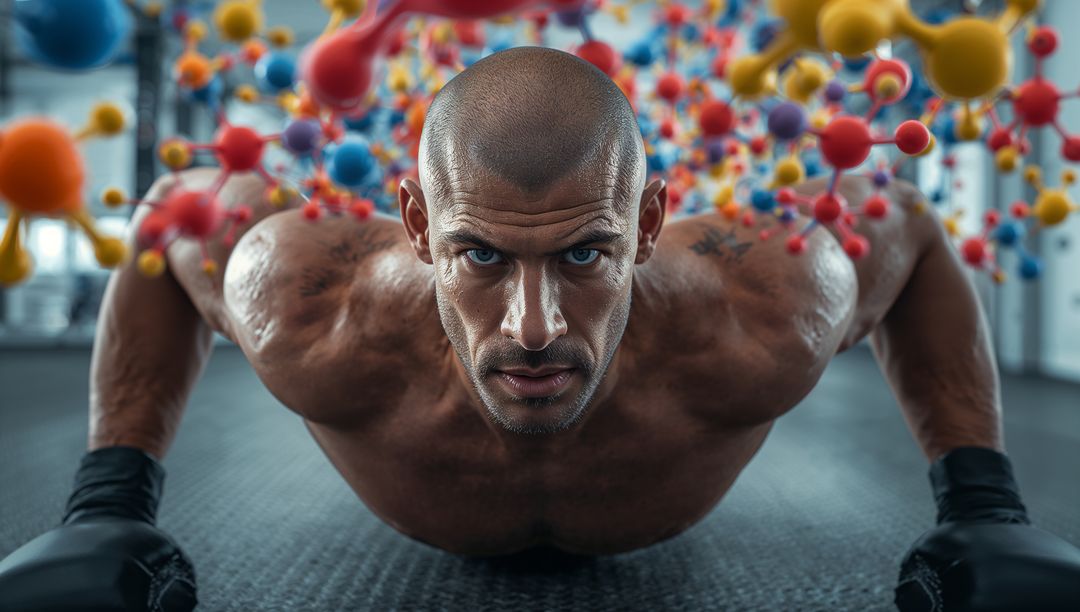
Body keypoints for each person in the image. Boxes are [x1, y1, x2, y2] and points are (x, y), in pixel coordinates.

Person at [2, 47, 1079, 611]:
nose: (530, 328)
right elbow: (167, 213)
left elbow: (911, 221)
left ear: (651, 227)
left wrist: (982, 508)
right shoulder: (307, 300)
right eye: (480, 256)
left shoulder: (767, 307)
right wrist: (111, 508)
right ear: (417, 229)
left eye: (584, 255)